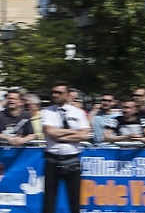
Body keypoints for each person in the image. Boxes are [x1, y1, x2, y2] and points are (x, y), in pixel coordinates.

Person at [42, 81, 90, 213]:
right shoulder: (47, 112)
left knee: (74, 201)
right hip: (52, 160)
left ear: (67, 95)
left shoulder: (78, 112)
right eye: (53, 92)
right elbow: (50, 132)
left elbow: (85, 135)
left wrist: (61, 135)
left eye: (59, 92)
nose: (55, 95)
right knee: (49, 201)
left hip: (72, 159)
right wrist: (75, 132)